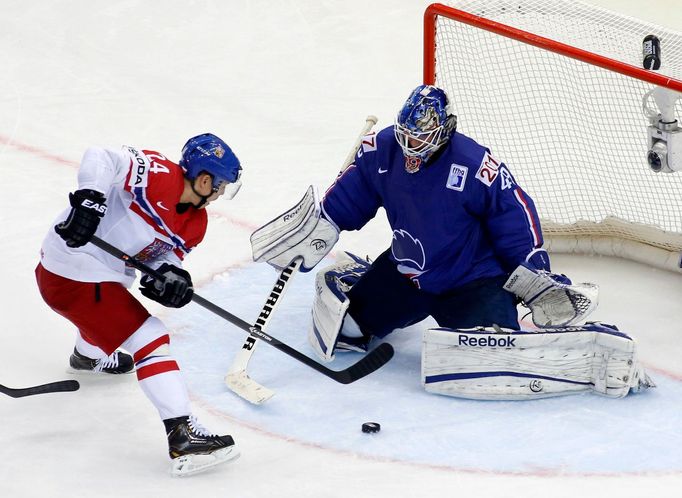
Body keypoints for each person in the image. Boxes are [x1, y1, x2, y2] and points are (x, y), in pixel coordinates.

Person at [251, 84, 652, 399]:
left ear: (443, 129)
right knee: (349, 331)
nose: (411, 146)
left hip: (472, 282)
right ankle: (364, 277)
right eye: (406, 135)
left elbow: (514, 213)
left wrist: (533, 272)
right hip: (408, 273)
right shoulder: (382, 148)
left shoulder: (475, 163)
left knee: (493, 357)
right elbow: (352, 194)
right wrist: (322, 225)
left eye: (421, 138)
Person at [35, 133, 242, 476]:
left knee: (116, 308)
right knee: (151, 339)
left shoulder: (196, 224)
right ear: (204, 179)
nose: (220, 194)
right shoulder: (159, 174)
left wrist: (171, 280)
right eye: (220, 185)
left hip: (97, 278)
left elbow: (160, 261)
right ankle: (183, 434)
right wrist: (89, 200)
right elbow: (101, 156)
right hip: (73, 271)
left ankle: (89, 354)